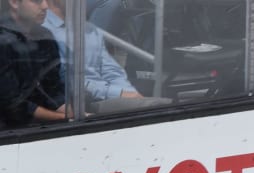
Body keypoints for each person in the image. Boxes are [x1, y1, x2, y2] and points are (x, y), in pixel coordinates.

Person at [42, 0, 171, 114]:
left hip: (103, 94)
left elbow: (111, 69)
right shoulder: (42, 31)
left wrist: (129, 92)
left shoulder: (88, 29)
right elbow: (67, 81)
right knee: (165, 107)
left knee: (169, 99)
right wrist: (118, 93)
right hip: (80, 103)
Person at [0, 0, 67, 127]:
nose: (45, 6)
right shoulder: (3, 41)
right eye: (37, 1)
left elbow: (53, 88)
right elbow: (12, 105)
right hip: (10, 132)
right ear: (14, 2)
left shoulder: (44, 35)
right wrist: (64, 118)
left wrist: (78, 115)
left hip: (44, 119)